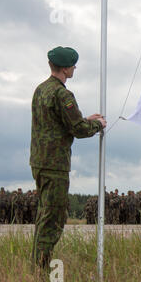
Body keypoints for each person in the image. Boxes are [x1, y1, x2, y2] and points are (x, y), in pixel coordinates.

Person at [30, 46, 106, 270]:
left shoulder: (41, 90)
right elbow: (79, 129)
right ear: (64, 69)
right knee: (53, 219)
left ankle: (37, 265)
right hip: (55, 165)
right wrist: (97, 124)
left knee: (44, 215)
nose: (75, 68)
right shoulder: (62, 94)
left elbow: (57, 122)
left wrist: (84, 119)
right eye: (73, 64)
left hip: (39, 162)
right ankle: (41, 271)